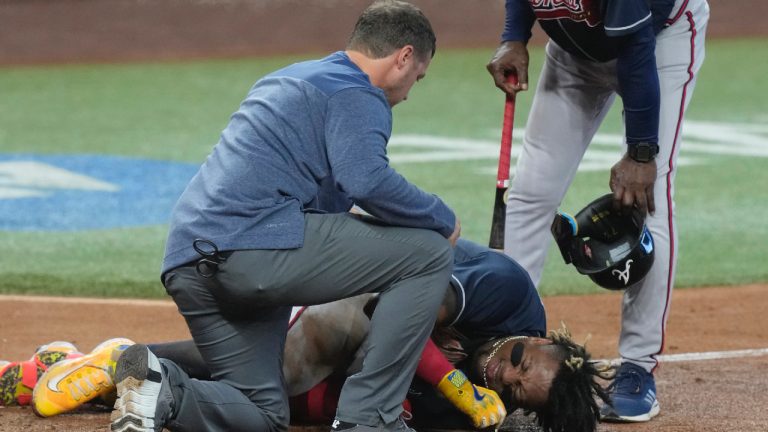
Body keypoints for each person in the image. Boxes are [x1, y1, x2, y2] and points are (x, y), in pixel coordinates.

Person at [112, 2, 462, 431]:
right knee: (427, 253)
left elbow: (329, 192)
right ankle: (369, 419)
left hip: (190, 263)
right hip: (254, 248)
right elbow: (367, 181)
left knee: (263, 414)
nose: (409, 92)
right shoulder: (356, 91)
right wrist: (441, 218)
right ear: (403, 57)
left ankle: (160, 385)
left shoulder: (289, 77)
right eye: (416, 78)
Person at [7, 239, 610, 432]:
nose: (502, 373)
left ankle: (89, 365)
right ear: (538, 333)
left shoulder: (486, 407)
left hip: (348, 329)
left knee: (279, 403)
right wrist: (452, 380)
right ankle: (123, 369)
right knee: (292, 369)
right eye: (520, 357)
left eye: (515, 389)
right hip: (348, 274)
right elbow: (393, 307)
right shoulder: (506, 291)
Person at [486, 0, 709, 423]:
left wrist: (642, 153)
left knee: (648, 201)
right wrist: (514, 36)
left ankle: (638, 368)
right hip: (573, 55)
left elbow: (635, 45)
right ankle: (508, 340)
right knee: (531, 194)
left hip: (660, 43)